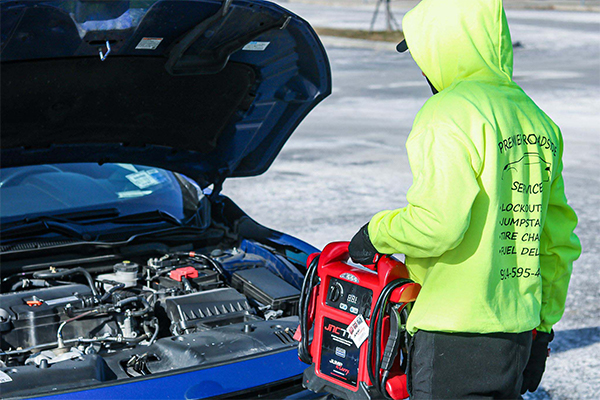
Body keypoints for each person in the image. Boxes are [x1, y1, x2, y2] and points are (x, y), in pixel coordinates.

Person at [348, 0, 582, 398]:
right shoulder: (536, 119)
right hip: (516, 335)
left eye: (425, 54)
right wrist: (542, 331)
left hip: (452, 336)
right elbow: (557, 242)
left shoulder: (448, 112)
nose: (423, 68)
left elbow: (437, 224)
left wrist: (375, 233)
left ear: (447, 46)